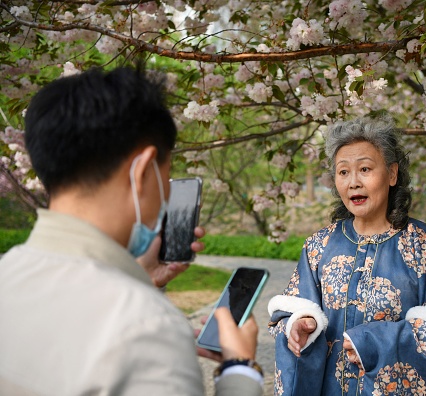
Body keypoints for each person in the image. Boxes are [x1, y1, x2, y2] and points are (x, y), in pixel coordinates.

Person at [0, 67, 263, 396]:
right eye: (166, 176)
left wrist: (140, 279)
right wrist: (240, 370)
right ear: (143, 171)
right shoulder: (148, 326)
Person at [268, 117, 426, 395]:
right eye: (343, 172)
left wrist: (378, 342)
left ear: (392, 174)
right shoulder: (318, 246)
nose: (353, 182)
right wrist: (300, 324)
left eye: (364, 169)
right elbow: (286, 315)